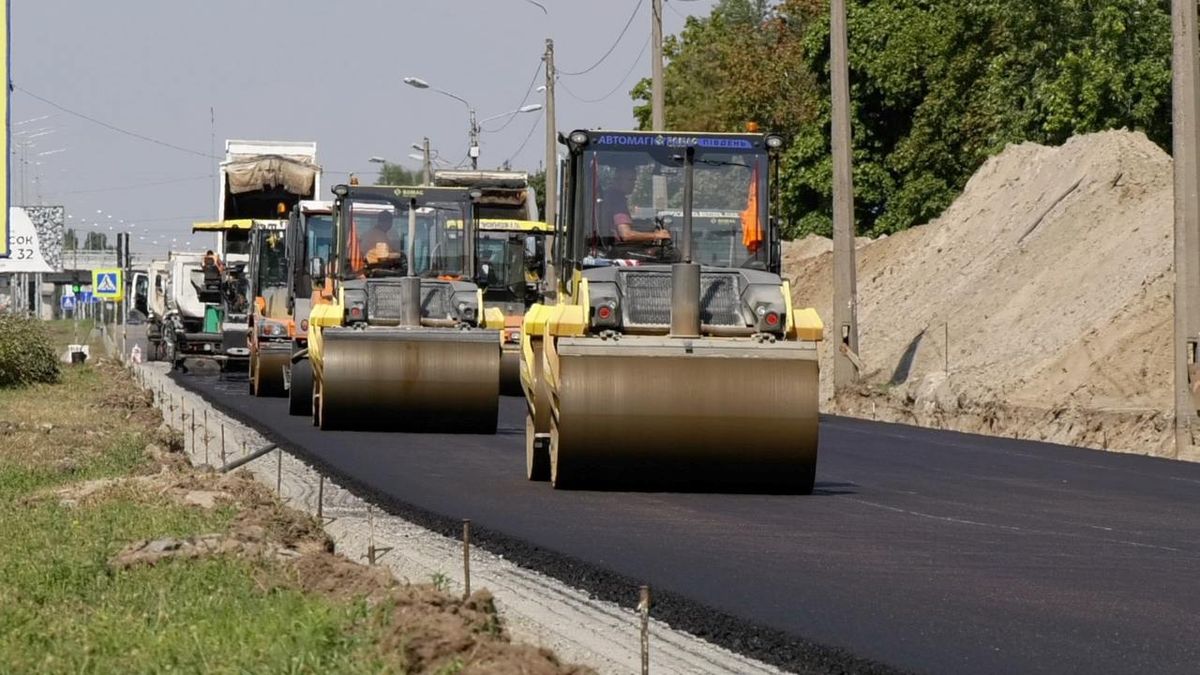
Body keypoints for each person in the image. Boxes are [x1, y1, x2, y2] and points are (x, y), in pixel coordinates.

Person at [597, 162, 671, 255]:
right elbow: (626, 235)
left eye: (634, 180)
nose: (634, 184)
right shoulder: (617, 199)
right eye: (631, 180)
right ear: (618, 180)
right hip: (618, 251)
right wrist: (657, 235)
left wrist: (646, 225)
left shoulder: (608, 195)